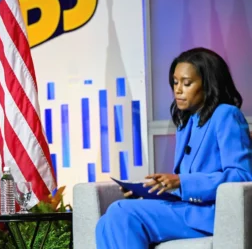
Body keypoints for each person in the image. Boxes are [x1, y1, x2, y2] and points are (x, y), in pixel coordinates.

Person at [96, 47, 252, 248]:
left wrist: (181, 181)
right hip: (186, 208)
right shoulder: (185, 121)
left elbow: (242, 176)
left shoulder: (226, 115)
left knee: (121, 212)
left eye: (187, 83)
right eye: (175, 82)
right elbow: (183, 184)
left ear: (209, 84)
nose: (178, 90)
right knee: (105, 223)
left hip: (210, 214)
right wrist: (150, 192)